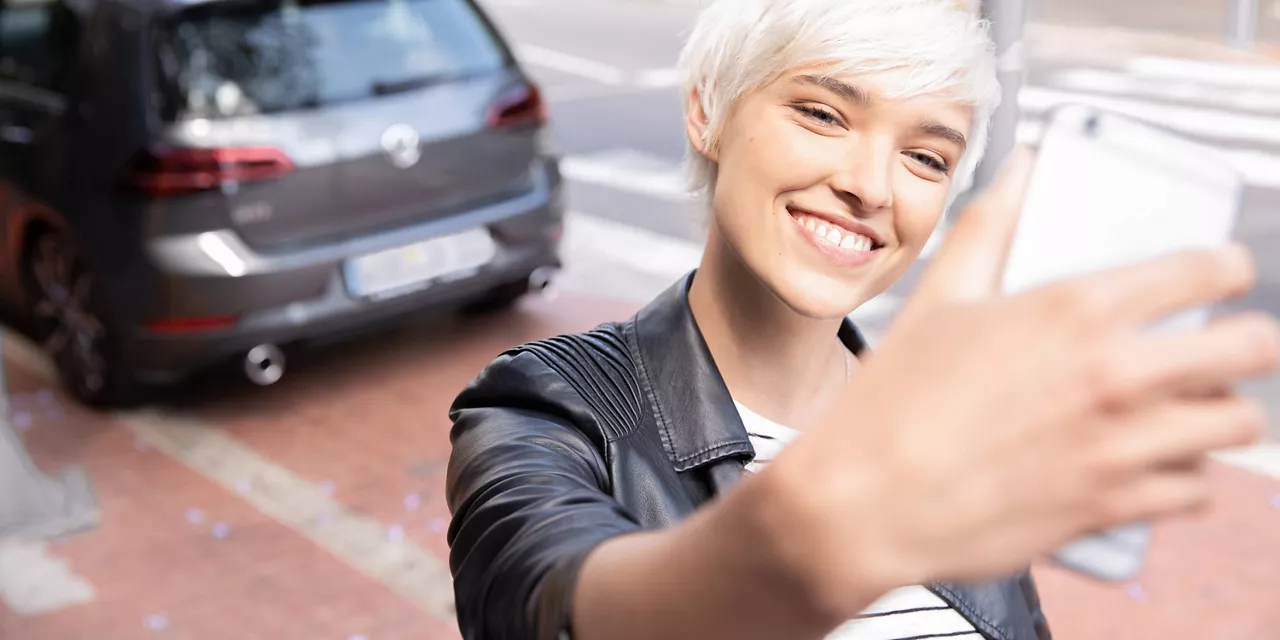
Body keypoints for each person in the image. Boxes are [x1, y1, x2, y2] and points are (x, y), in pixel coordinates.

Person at [445, 0, 1278, 638]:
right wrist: (803, 541)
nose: (873, 186)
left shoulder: (948, 431)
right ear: (707, 113)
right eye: (823, 113)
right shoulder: (540, 409)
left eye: (926, 156)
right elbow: (561, 600)